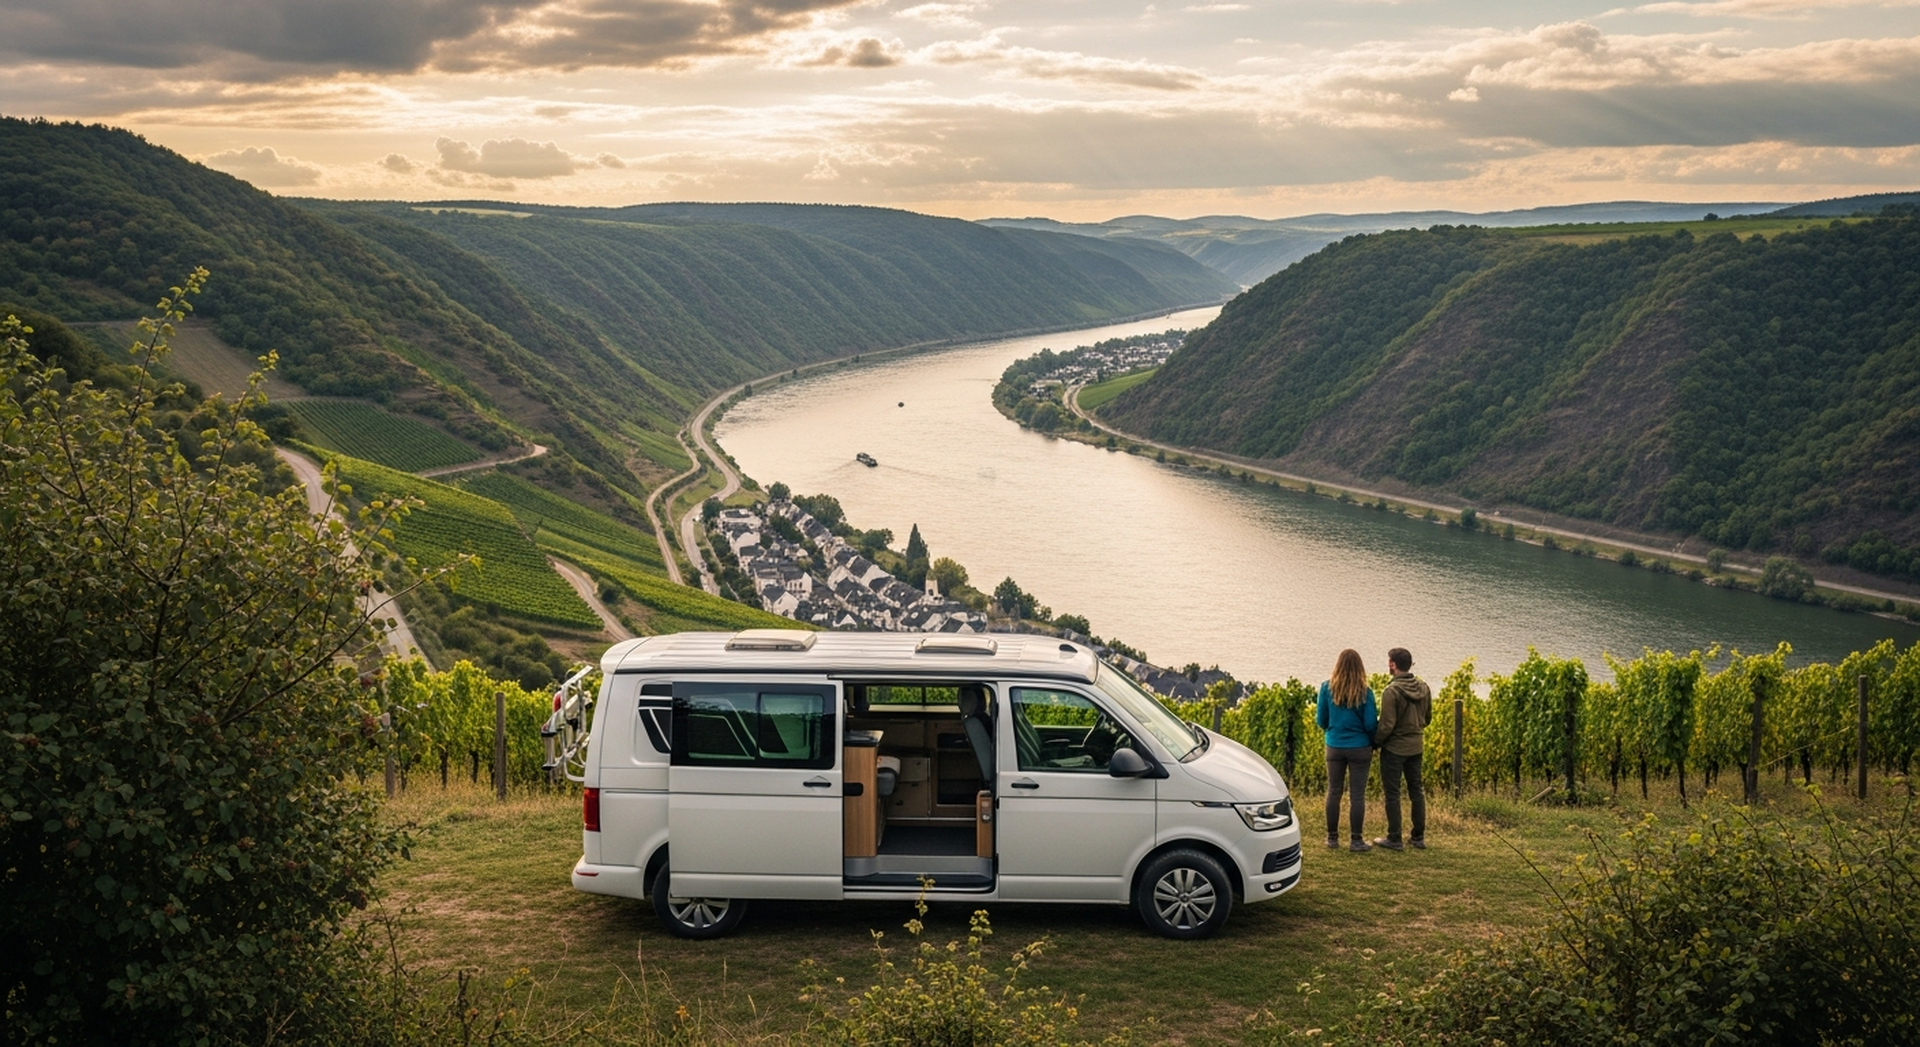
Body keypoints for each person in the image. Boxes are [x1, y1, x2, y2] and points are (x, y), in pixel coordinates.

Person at [1316, 649, 1377, 852]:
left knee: (1334, 791)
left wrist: (1333, 731)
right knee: (1357, 795)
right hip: (1359, 747)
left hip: (1334, 745)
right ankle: (1356, 840)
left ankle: (1332, 838)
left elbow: (1321, 720)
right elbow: (1370, 724)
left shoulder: (1326, 688)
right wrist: (1370, 741)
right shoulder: (1365, 692)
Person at [1372, 647, 1433, 851]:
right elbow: (1428, 719)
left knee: (1393, 793)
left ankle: (1394, 838)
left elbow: (1386, 725)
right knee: (1417, 790)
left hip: (1395, 749)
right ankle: (1418, 837)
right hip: (1416, 746)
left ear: (1392, 664)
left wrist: (1375, 742)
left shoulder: (1391, 691)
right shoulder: (1424, 688)